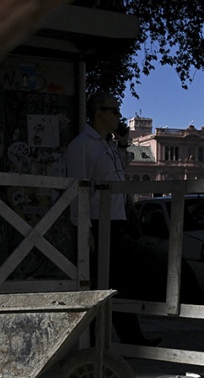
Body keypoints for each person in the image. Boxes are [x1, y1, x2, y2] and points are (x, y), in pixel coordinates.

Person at [66, 92, 158, 346]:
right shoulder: (82, 146)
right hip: (98, 223)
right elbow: (78, 189)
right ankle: (101, 341)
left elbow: (120, 168)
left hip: (117, 220)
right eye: (115, 111)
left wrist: (122, 143)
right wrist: (85, 229)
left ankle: (127, 338)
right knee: (103, 284)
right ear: (99, 114)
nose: (119, 116)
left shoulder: (107, 144)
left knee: (119, 282)